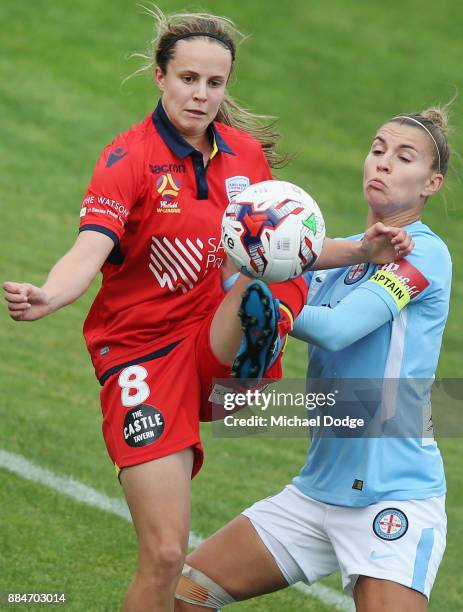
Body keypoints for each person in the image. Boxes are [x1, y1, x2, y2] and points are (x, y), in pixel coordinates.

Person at [3, 8, 412, 612]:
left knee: (253, 276)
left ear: (227, 85)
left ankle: (257, 336)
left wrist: (360, 248)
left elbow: (287, 245)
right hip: (142, 357)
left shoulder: (245, 157)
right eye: (188, 79)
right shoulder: (128, 160)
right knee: (167, 556)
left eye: (214, 84)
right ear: (161, 77)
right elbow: (90, 248)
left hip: (213, 342)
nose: (201, 95)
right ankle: (257, 330)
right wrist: (50, 295)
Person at [174, 107, 452, 612]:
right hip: (317, 493)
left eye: (403, 157)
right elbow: (244, 295)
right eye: (378, 149)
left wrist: (274, 309)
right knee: (189, 592)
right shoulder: (333, 258)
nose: (383, 163)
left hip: (392, 497)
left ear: (431, 182)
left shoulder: (425, 255)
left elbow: (339, 330)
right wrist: (246, 269)